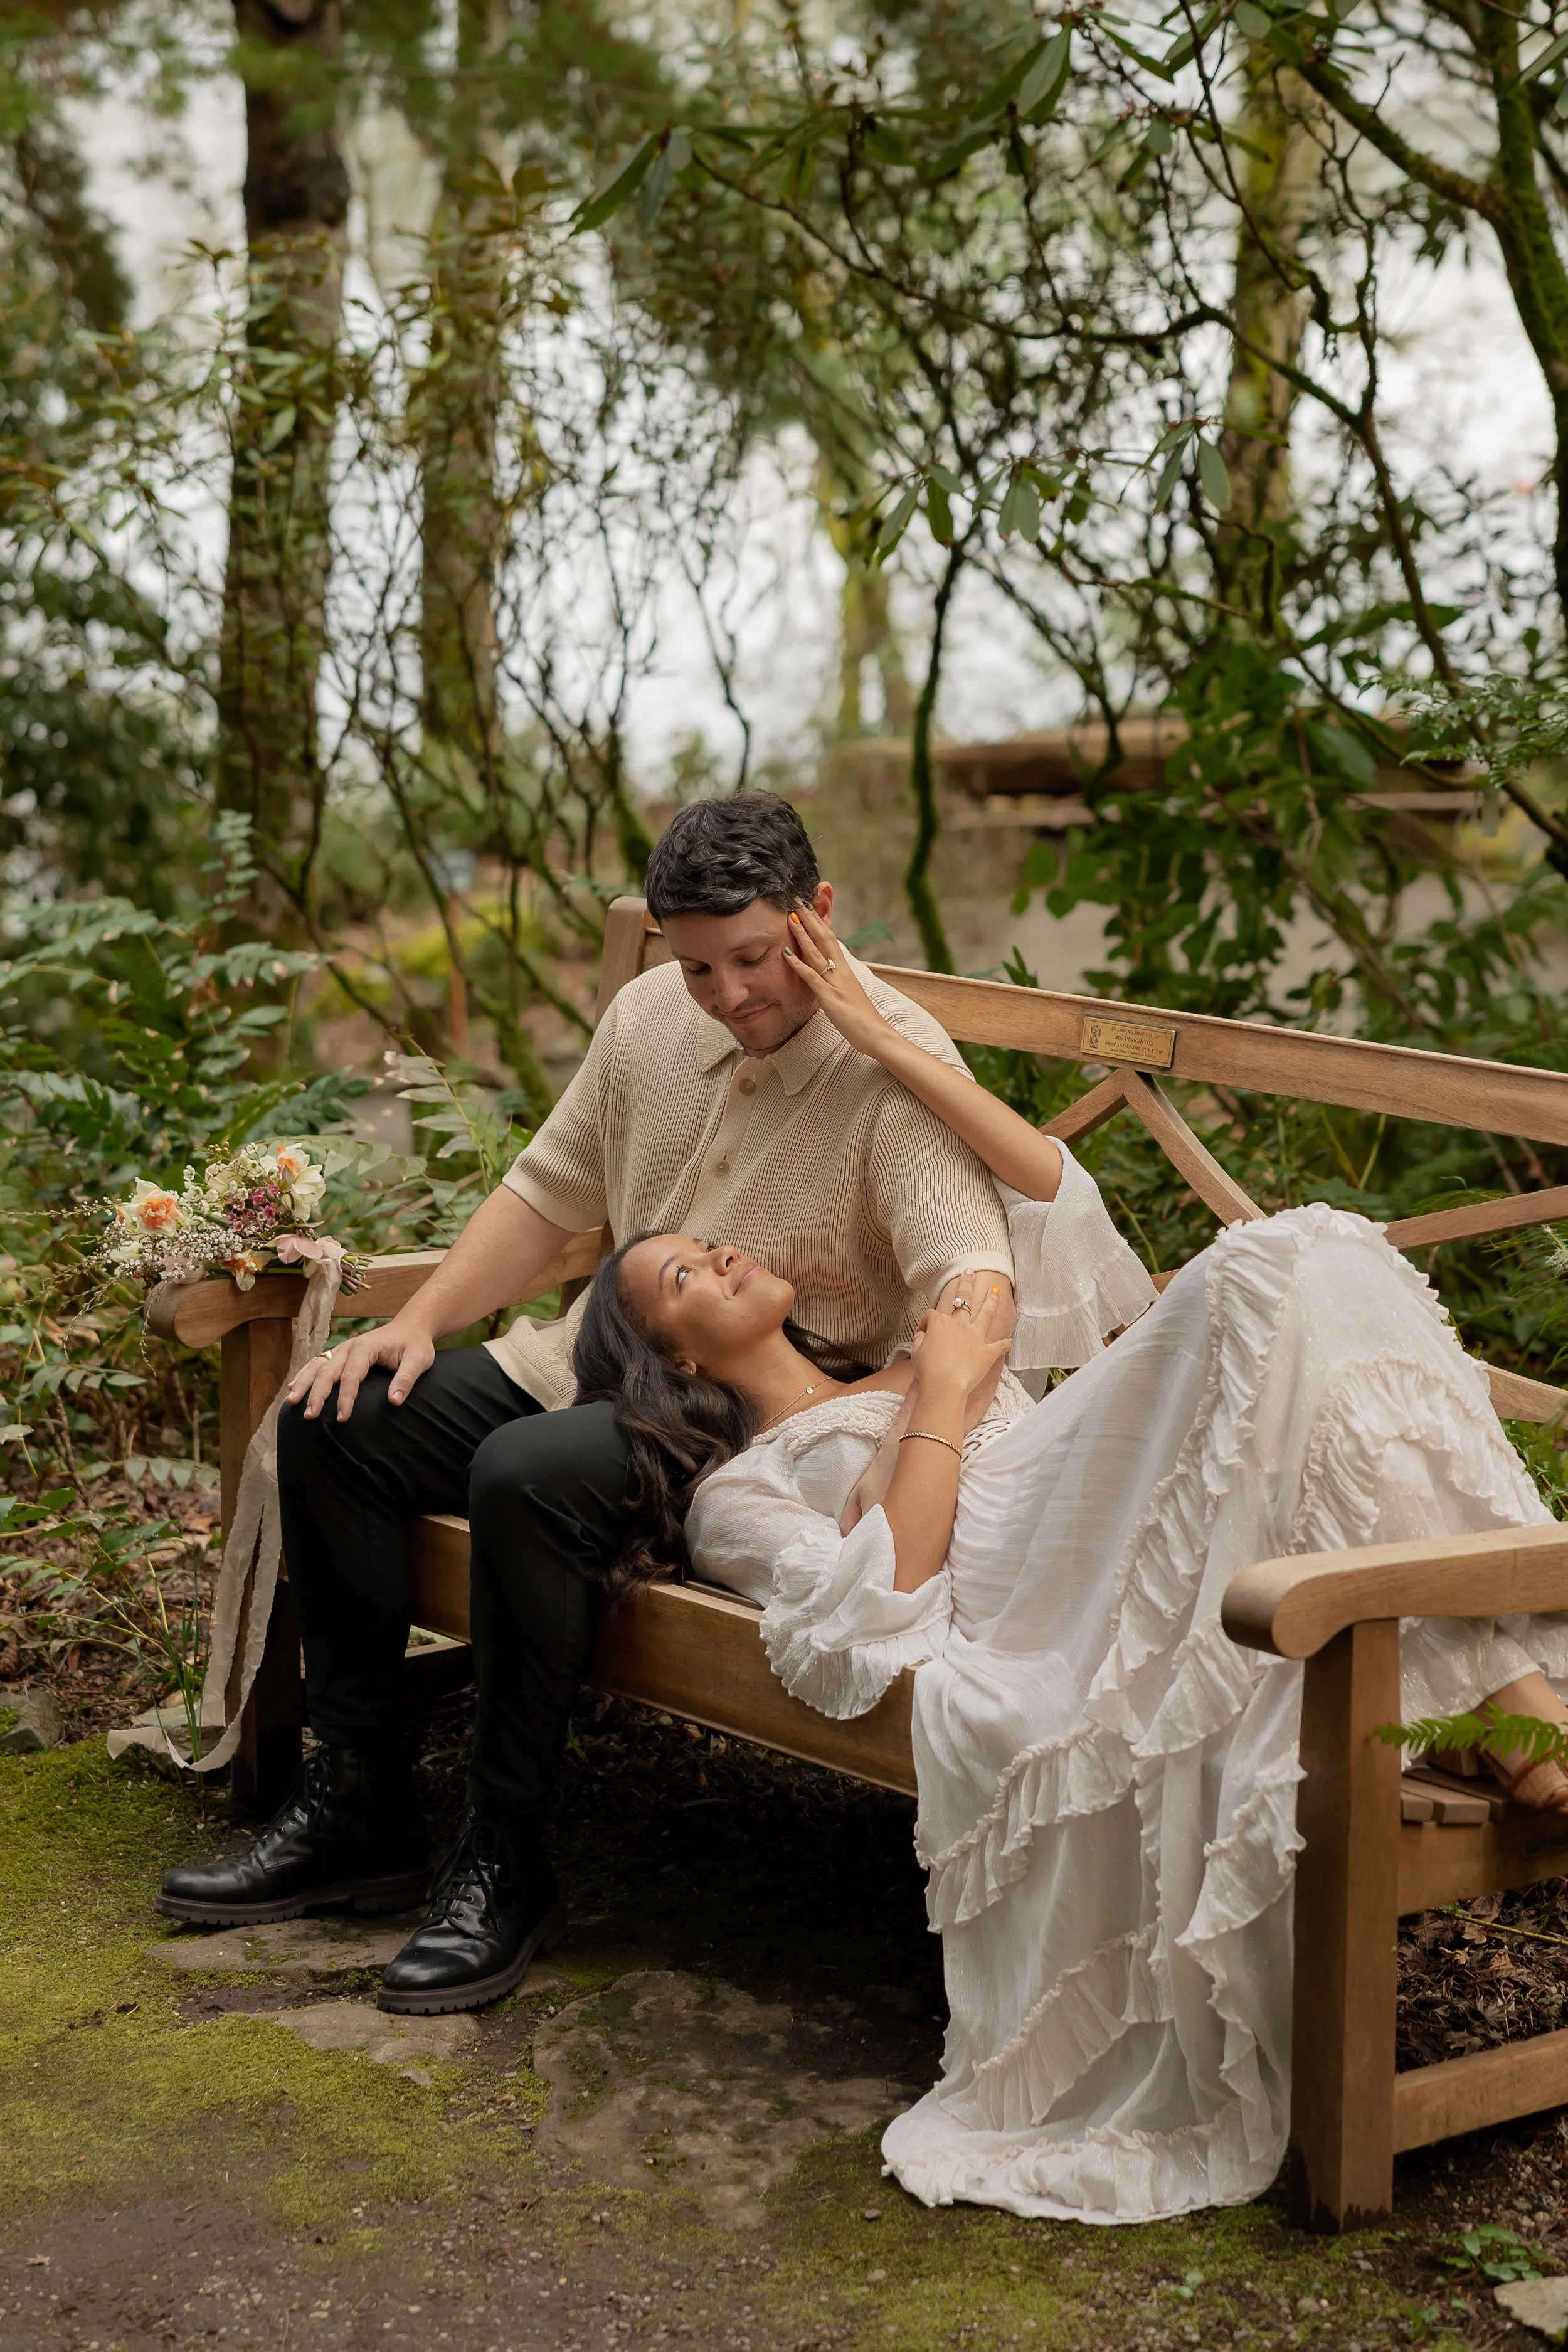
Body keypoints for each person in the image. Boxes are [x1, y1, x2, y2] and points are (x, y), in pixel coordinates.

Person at [570, 900, 1568, 2225]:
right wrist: (947, 1394)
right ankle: (1514, 1707)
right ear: (678, 1358)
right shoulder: (741, 1495)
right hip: (1032, 1582)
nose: (719, 1250)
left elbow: (1062, 1207)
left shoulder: (907, 1342)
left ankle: (1503, 1703)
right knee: (1284, 1263)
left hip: (1092, 1502)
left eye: (702, 1240)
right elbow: (877, 1611)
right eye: (687, 1275)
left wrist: (879, 1037)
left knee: (1310, 1253)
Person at [154, 795, 1018, 2016]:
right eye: (695, 966)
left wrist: (874, 1395)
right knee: (331, 1422)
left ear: (818, 915)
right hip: (597, 1356)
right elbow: (544, 1195)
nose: (724, 996)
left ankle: (500, 1859)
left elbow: (976, 1293)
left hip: (750, 1413)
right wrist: (412, 1323)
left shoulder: (892, 1061)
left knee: (526, 1471)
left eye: (753, 959)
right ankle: (361, 1804)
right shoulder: (646, 1017)